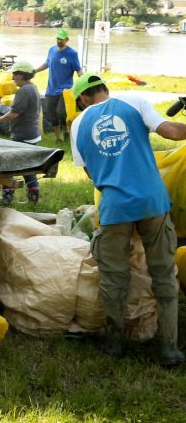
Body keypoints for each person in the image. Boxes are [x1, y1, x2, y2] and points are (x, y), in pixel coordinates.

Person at [71, 73, 186, 366]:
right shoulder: (134, 100)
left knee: (114, 278)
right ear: (105, 90)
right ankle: (170, 348)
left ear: (83, 98)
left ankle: (113, 343)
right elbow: (171, 132)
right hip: (153, 201)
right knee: (163, 273)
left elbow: (91, 176)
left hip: (114, 207)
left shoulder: (79, 124)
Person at [0, 61, 42, 204]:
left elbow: (13, 114)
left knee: (8, 168)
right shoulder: (32, 88)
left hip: (22, 135)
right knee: (28, 169)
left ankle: (6, 199)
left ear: (22, 75)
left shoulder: (24, 91)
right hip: (32, 133)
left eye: (15, 74)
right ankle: (33, 200)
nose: (13, 77)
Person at [35, 28, 83, 143]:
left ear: (67, 40)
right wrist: (35, 70)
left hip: (65, 90)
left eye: (62, 39)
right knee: (52, 115)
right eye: (58, 38)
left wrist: (83, 80)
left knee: (62, 113)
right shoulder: (51, 50)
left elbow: (78, 69)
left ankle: (66, 131)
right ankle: (58, 138)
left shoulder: (72, 54)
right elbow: (47, 63)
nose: (59, 41)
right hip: (51, 89)